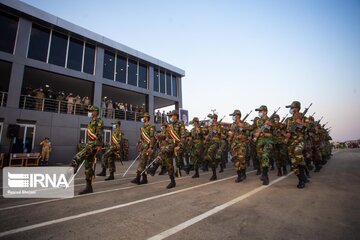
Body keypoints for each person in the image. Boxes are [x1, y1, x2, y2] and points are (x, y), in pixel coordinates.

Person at [70, 105, 103, 194]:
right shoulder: (90, 122)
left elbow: (99, 133)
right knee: (88, 166)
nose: (90, 112)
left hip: (93, 146)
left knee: (77, 158)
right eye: (89, 111)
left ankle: (66, 178)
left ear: (96, 112)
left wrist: (98, 145)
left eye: (91, 111)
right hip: (89, 145)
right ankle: (89, 187)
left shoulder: (98, 121)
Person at [284, 101, 308, 188]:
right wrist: (285, 134)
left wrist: (301, 123)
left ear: (297, 108)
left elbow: (312, 128)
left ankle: (302, 180)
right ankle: (302, 176)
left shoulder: (303, 117)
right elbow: (283, 130)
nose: (290, 109)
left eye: (292, 107)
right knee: (293, 163)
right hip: (291, 142)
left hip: (299, 141)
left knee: (298, 154)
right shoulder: (288, 120)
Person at [162, 110, 185, 188]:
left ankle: (154, 167)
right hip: (170, 145)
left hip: (177, 145)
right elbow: (167, 136)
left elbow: (183, 136)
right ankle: (172, 181)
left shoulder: (180, 124)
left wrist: (180, 146)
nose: (171, 117)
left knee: (177, 161)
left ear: (176, 116)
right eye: (171, 116)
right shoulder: (169, 126)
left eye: (172, 116)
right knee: (168, 163)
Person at [131, 113, 155, 185]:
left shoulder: (151, 126)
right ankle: (144, 179)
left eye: (144, 117)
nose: (143, 118)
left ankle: (138, 178)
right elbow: (142, 138)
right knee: (143, 163)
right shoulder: (142, 127)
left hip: (147, 147)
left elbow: (152, 138)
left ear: (147, 118)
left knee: (142, 162)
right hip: (142, 147)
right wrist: (139, 142)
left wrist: (150, 147)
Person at [228, 110, 251, 182]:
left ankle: (243, 173)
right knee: (236, 160)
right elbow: (230, 134)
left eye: (234, 115)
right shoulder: (233, 125)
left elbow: (251, 128)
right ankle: (239, 176)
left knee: (241, 160)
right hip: (234, 145)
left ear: (238, 115)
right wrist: (230, 135)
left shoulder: (244, 123)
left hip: (242, 144)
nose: (233, 117)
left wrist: (242, 126)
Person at [253, 105, 273, 185]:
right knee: (260, 158)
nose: (259, 113)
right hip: (259, 142)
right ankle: (266, 176)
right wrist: (255, 133)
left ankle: (264, 175)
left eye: (261, 111)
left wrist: (271, 124)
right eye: (259, 111)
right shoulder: (257, 121)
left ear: (265, 111)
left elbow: (279, 128)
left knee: (265, 156)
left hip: (268, 141)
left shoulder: (271, 120)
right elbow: (252, 129)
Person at [203, 113, 222, 181]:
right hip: (210, 142)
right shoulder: (210, 126)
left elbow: (220, 133)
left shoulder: (219, 125)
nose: (213, 119)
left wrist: (217, 129)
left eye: (214, 118)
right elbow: (207, 133)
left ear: (216, 119)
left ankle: (210, 164)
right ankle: (214, 174)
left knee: (209, 151)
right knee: (206, 155)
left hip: (216, 142)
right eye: (212, 118)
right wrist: (206, 136)